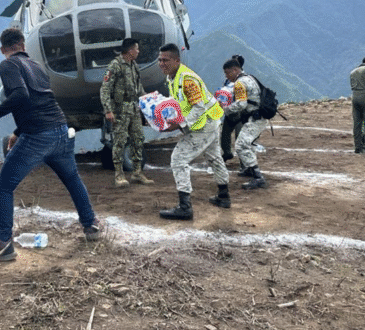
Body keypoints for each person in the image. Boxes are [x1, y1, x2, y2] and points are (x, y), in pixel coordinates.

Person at [0, 28, 101, 262]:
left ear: (2, 49)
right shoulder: (36, 66)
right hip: (61, 129)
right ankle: (91, 225)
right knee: (72, 179)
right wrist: (17, 132)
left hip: (39, 135)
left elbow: (21, 96)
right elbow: (39, 101)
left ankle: (2, 244)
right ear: (23, 45)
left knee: (3, 186)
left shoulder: (8, 64)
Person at [156, 43, 230, 216]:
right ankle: (224, 196)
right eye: (159, 60)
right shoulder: (172, 77)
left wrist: (180, 124)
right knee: (214, 158)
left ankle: (185, 207)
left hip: (205, 123)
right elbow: (180, 103)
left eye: (166, 60)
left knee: (178, 159)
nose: (161, 64)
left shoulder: (187, 79)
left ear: (177, 60)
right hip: (209, 121)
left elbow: (198, 107)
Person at [99, 38, 153, 187]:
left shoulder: (134, 65)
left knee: (138, 139)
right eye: (136, 49)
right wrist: (108, 110)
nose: (138, 51)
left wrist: (149, 99)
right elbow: (105, 89)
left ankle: (137, 173)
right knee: (119, 142)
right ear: (130, 51)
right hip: (119, 110)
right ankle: (119, 176)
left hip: (133, 108)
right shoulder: (115, 65)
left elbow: (139, 88)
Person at [221, 55, 269, 191]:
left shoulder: (239, 83)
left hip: (255, 119)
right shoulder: (250, 78)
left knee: (241, 145)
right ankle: (249, 169)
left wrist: (225, 109)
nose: (226, 76)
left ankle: (258, 177)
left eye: (227, 73)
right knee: (249, 143)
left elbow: (241, 104)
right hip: (259, 116)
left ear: (235, 70)